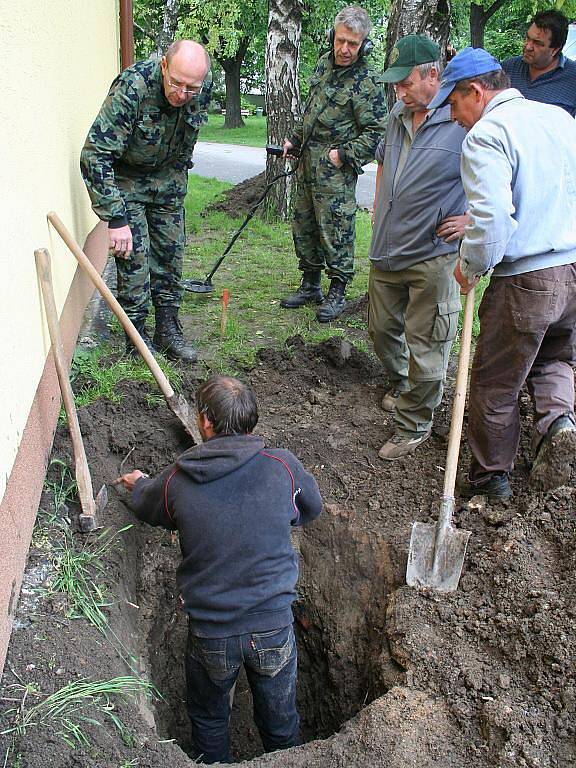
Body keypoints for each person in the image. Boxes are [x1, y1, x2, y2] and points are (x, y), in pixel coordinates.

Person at [117, 375, 323, 764]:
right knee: (281, 727)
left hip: (212, 632)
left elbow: (149, 504)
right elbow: (310, 508)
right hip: (272, 627)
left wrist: (139, 483)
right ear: (251, 420)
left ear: (206, 422)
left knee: (210, 722)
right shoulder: (282, 466)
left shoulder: (179, 479)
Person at [427, 46, 576, 498]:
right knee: (556, 360)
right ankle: (561, 428)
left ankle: (491, 481)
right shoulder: (558, 119)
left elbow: (491, 221)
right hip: (573, 269)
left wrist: (471, 266)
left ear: (476, 91)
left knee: (495, 384)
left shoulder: (487, 135)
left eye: (453, 103)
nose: (453, 117)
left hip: (526, 281)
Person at [367, 34, 468, 461]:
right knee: (381, 330)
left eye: (405, 83)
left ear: (432, 75)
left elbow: (502, 180)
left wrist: (473, 220)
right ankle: (404, 383)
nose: (398, 91)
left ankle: (414, 425)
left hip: (433, 253)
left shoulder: (463, 118)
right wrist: (378, 204)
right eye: (394, 84)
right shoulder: (397, 112)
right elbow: (385, 163)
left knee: (427, 345)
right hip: (388, 247)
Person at [81, 40, 212, 361]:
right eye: (177, 83)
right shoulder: (133, 88)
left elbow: (185, 145)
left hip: (167, 184)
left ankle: (167, 330)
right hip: (128, 181)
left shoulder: (200, 90)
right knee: (135, 262)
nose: (182, 94)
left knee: (170, 257)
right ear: (164, 66)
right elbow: (95, 155)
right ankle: (136, 340)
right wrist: (115, 217)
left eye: (191, 88)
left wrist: (177, 182)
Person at [280, 5, 387, 322]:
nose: (344, 49)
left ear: (364, 44)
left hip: (335, 170)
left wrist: (344, 155)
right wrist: (295, 140)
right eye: (340, 40)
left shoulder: (367, 82)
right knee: (304, 223)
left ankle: (337, 288)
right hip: (306, 163)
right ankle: (311, 282)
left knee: (335, 229)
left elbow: (378, 133)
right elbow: (310, 112)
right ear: (332, 36)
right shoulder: (323, 66)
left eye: (352, 44)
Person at [502, 9, 576, 116]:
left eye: (537, 43)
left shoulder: (572, 78)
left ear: (555, 49)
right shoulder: (507, 69)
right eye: (527, 38)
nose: (527, 46)